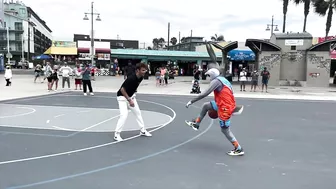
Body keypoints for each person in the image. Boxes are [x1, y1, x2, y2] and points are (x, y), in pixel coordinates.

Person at [185, 68, 244, 156]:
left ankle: (238, 148)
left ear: (212, 75)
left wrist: (192, 101)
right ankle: (196, 124)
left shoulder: (216, 81)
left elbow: (204, 93)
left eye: (208, 76)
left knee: (225, 130)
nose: (208, 78)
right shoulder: (223, 79)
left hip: (225, 107)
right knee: (206, 106)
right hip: (223, 104)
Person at [114, 62, 152, 141]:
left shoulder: (141, 77)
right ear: (138, 70)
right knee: (124, 115)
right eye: (143, 70)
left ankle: (142, 130)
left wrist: (133, 93)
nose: (145, 72)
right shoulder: (131, 78)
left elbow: (134, 86)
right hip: (122, 97)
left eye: (145, 70)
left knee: (138, 113)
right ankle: (116, 134)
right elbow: (122, 90)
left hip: (131, 96)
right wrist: (129, 100)